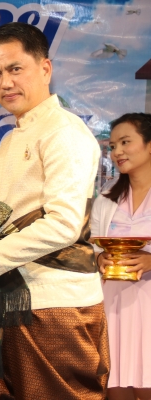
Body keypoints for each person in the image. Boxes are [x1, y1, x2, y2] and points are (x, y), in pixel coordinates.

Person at [0, 22, 109, 399]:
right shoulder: (13, 137)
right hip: (13, 298)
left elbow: (63, 225)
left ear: (45, 68)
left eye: (15, 69)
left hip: (54, 304)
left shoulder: (64, 132)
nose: (6, 82)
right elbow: (21, 216)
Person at [92, 113, 151, 400]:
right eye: (113, 146)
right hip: (113, 304)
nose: (117, 152)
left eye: (126, 142)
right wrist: (98, 260)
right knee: (115, 388)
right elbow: (92, 246)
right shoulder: (106, 198)